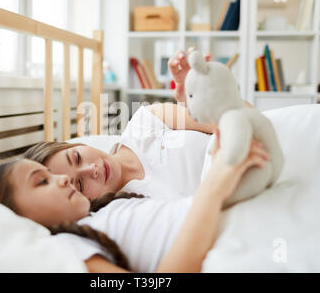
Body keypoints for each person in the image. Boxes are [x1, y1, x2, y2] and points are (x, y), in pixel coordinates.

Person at [0, 129, 270, 272]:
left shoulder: (105, 209)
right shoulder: (66, 251)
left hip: (240, 218)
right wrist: (214, 189)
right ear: (17, 218)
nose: (61, 179)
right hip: (230, 244)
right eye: (42, 181)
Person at [24, 48, 251, 201]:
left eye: (76, 158)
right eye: (80, 185)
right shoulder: (123, 213)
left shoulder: (146, 120)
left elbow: (242, 116)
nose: (90, 170)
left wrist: (205, 97)